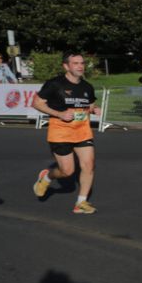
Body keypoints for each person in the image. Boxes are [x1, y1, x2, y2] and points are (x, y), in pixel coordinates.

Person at [31, 52, 101, 214]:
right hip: (60, 131)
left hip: (82, 131)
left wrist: (94, 109)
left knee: (88, 165)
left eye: (82, 63)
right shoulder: (54, 84)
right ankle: (47, 177)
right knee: (67, 171)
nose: (80, 66)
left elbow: (89, 105)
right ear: (66, 66)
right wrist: (59, 114)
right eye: (75, 63)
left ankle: (81, 203)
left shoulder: (87, 87)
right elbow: (37, 103)